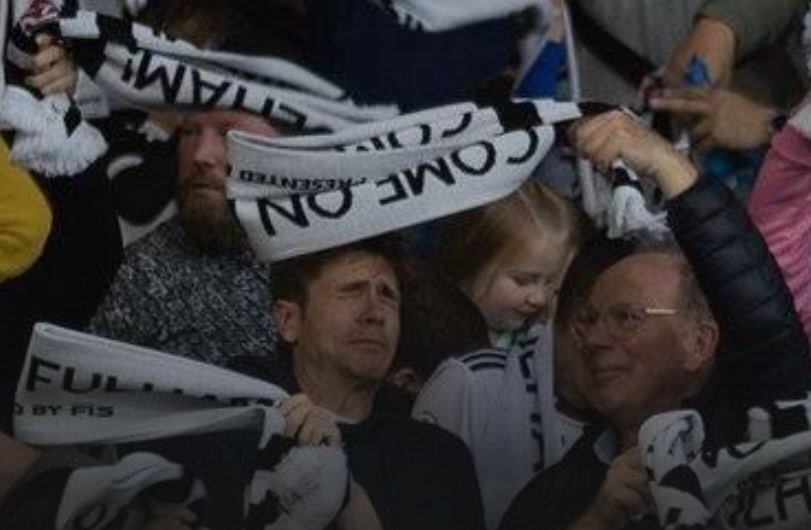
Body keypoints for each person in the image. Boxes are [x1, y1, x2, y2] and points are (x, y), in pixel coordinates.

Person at [499, 111, 811, 530]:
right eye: (587, 320)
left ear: (698, 343)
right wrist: (596, 519)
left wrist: (667, 165)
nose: (594, 339)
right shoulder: (553, 495)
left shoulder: (763, 426)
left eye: (626, 318)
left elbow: (756, 310)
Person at [229, 235, 486, 530]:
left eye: (388, 295)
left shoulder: (441, 460)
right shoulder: (231, 431)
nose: (376, 314)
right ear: (289, 320)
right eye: (352, 291)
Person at [414, 180, 589, 529]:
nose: (538, 298)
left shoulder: (536, 337)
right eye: (524, 280)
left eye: (552, 284)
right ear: (474, 260)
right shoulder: (428, 332)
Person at [88, 107, 279, 365]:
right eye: (190, 131)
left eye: (229, 134)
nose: (201, 155)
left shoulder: (337, 256)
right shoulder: (143, 277)